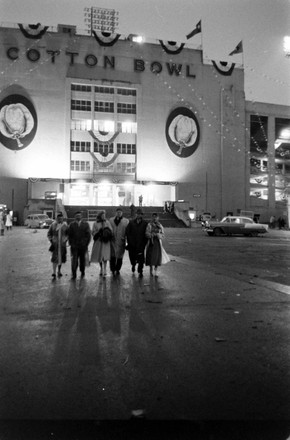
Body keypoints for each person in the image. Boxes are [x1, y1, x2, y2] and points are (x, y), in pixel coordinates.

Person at [145, 212, 170, 277]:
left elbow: (163, 234)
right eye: (153, 217)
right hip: (151, 242)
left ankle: (156, 271)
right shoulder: (149, 225)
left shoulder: (160, 225)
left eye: (156, 217)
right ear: (152, 217)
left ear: (158, 218)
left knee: (157, 257)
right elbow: (147, 233)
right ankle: (151, 271)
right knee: (150, 257)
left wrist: (160, 235)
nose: (154, 218)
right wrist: (153, 234)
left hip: (157, 243)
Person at [68, 211, 91, 279]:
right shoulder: (71, 225)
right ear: (74, 217)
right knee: (74, 260)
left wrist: (85, 243)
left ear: (81, 216)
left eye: (79, 215)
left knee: (82, 260)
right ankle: (74, 273)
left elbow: (88, 235)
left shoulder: (86, 224)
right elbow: (69, 235)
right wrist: (71, 243)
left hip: (83, 246)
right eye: (76, 216)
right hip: (74, 246)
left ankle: (82, 271)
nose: (78, 217)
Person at [126, 208, 148, 278]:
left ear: (142, 215)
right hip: (132, 244)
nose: (139, 215)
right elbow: (127, 232)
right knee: (132, 257)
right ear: (136, 214)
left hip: (141, 244)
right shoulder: (131, 222)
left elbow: (146, 233)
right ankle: (133, 264)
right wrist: (129, 241)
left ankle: (140, 270)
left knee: (141, 258)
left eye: (140, 214)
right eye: (138, 214)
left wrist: (144, 242)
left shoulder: (145, 223)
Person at [90, 210, 113, 278]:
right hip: (99, 241)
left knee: (105, 255)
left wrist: (107, 233)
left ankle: (105, 268)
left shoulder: (107, 222)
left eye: (104, 215)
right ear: (100, 216)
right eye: (102, 215)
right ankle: (101, 268)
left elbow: (111, 230)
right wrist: (98, 233)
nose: (104, 216)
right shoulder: (95, 223)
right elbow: (93, 232)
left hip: (105, 241)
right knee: (99, 255)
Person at [47, 212, 69, 279]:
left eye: (61, 218)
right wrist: (51, 240)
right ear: (56, 218)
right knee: (54, 258)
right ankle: (54, 272)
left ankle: (59, 271)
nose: (60, 219)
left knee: (61, 259)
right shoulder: (53, 225)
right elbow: (49, 234)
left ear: (62, 219)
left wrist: (65, 240)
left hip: (62, 245)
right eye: (58, 218)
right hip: (55, 244)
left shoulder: (65, 225)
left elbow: (68, 234)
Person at [109, 208, 129, 276]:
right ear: (115, 212)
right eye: (117, 212)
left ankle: (118, 269)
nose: (119, 213)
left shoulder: (126, 221)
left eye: (120, 212)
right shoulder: (111, 220)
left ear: (122, 213)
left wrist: (126, 241)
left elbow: (128, 232)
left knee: (120, 256)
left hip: (121, 241)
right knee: (112, 256)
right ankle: (112, 269)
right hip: (112, 241)